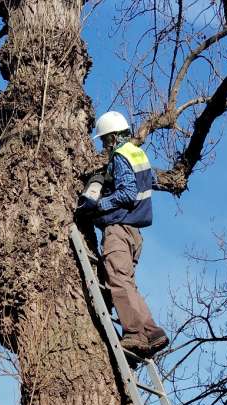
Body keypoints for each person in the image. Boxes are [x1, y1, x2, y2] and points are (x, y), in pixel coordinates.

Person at [77, 110, 169, 358]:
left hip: (119, 228)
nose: (106, 145)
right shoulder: (138, 154)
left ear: (112, 136)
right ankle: (151, 331)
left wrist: (99, 204)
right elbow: (143, 186)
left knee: (117, 280)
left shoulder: (120, 155)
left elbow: (127, 193)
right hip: (134, 232)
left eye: (106, 140)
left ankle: (135, 334)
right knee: (127, 282)